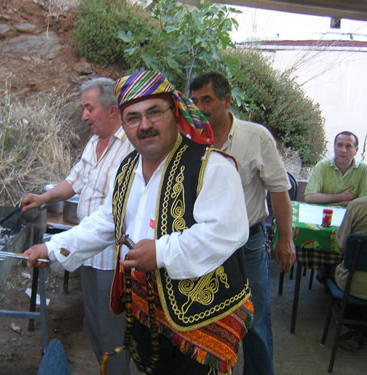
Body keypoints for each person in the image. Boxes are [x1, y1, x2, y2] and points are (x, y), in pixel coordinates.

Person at [24, 70, 254, 375]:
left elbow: (226, 231)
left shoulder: (211, 166)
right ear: (125, 124)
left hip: (199, 322)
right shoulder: (128, 168)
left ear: (175, 112)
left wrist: (160, 253)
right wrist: (52, 247)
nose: (144, 125)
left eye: (154, 112)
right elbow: (108, 221)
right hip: (146, 313)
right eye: (133, 117)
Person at [21, 77, 133, 374]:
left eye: (88, 107)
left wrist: (52, 248)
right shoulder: (95, 142)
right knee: (95, 326)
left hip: (113, 259)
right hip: (89, 254)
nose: (84, 115)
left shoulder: (129, 148)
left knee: (113, 336)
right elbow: (74, 180)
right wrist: (41, 198)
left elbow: (112, 215)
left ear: (111, 110)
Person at [189, 72, 295, 375]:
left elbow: (278, 191)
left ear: (227, 100)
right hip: (204, 243)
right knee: (204, 318)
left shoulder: (255, 137)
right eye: (194, 101)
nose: (200, 108)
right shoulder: (190, 139)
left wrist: (284, 239)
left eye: (206, 100)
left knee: (255, 321)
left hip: (247, 244)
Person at [330, 195, 367, 350]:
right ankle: (364, 327)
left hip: (353, 285)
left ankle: (354, 325)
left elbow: (341, 246)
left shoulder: (358, 206)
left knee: (328, 269)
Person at [304, 131, 367, 206]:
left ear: (356, 151)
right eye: (339, 145)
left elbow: (366, 203)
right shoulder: (322, 166)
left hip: (353, 216)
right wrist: (342, 196)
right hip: (325, 214)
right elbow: (309, 197)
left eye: (348, 146)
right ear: (334, 147)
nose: (343, 150)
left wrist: (334, 204)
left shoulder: (364, 169)